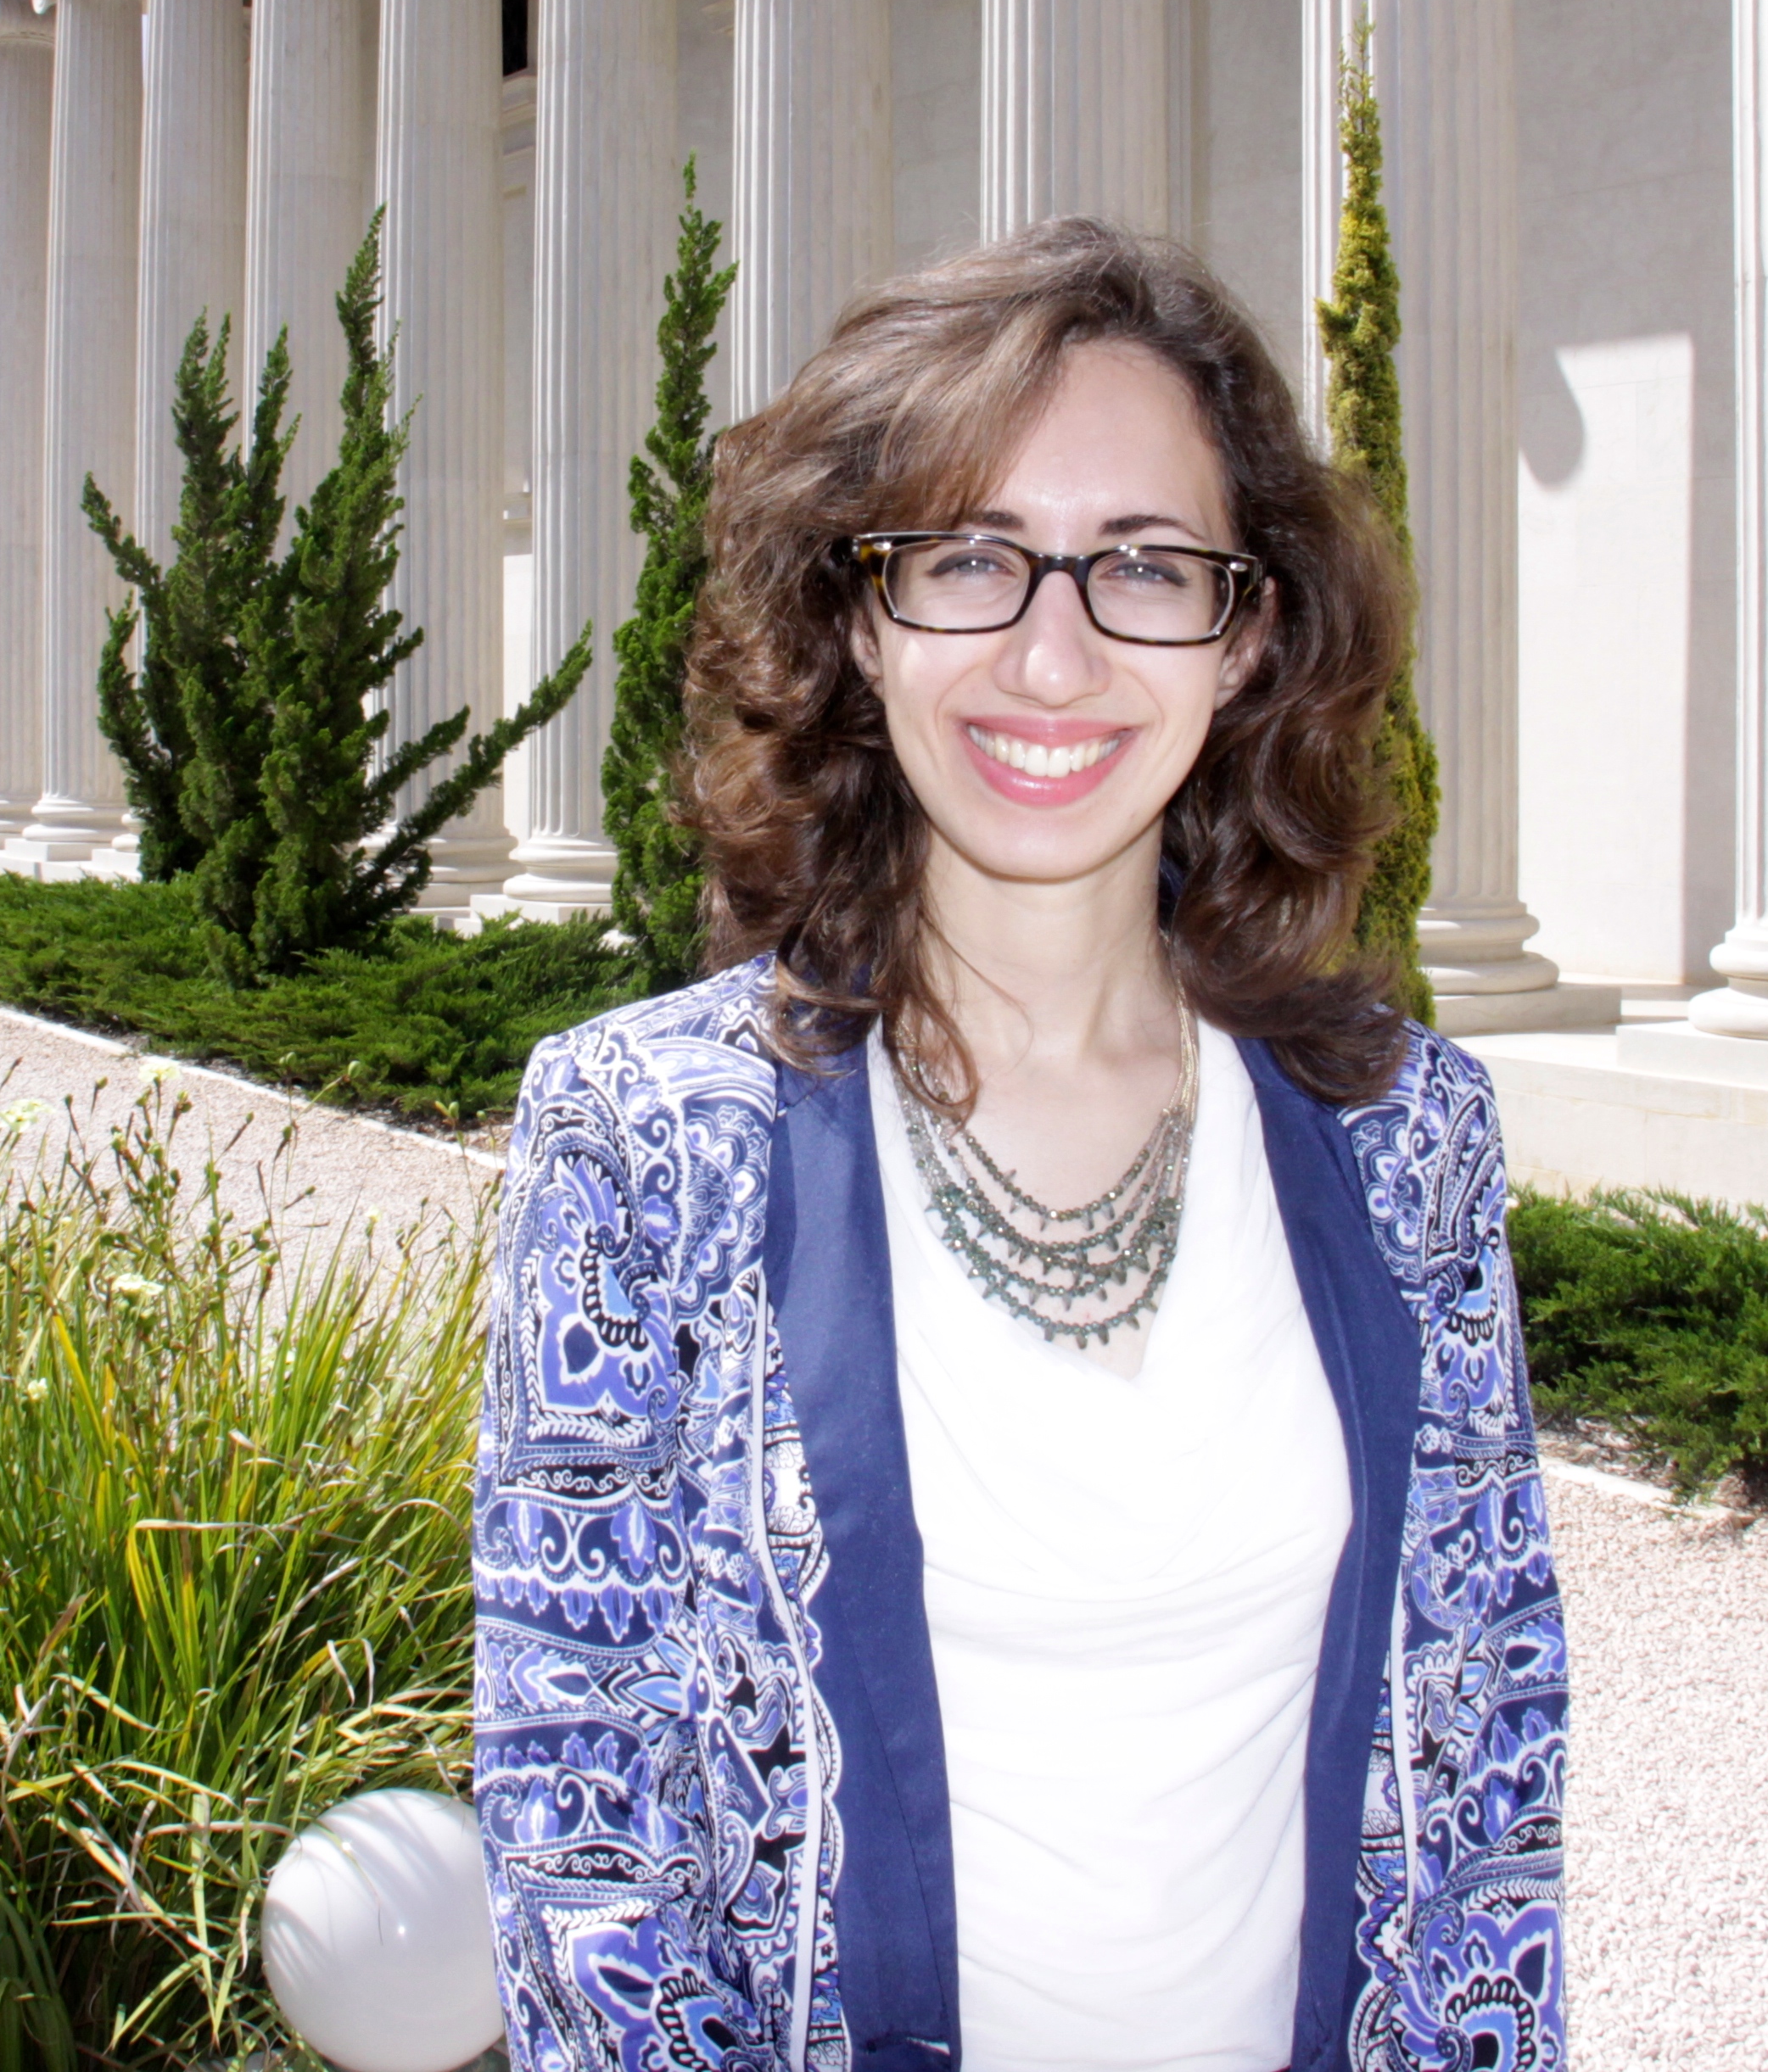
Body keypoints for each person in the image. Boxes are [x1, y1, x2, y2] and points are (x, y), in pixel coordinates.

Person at [472, 221, 1567, 2072]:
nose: (1052, 657)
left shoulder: (1408, 1141)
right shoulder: (646, 1146)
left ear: (1248, 637)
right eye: (970, 558)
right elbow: (592, 1863)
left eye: (1146, 567)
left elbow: (1487, 1782)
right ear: (857, 619)